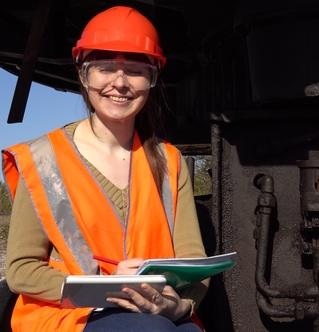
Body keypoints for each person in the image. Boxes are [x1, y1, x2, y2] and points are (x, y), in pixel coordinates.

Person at [1, 6, 208, 332]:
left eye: (136, 71)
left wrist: (180, 305)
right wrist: (107, 288)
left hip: (159, 312)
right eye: (104, 68)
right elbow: (21, 269)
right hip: (70, 313)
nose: (120, 83)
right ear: (84, 74)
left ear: (152, 78)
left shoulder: (169, 162)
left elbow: (194, 263)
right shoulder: (42, 158)